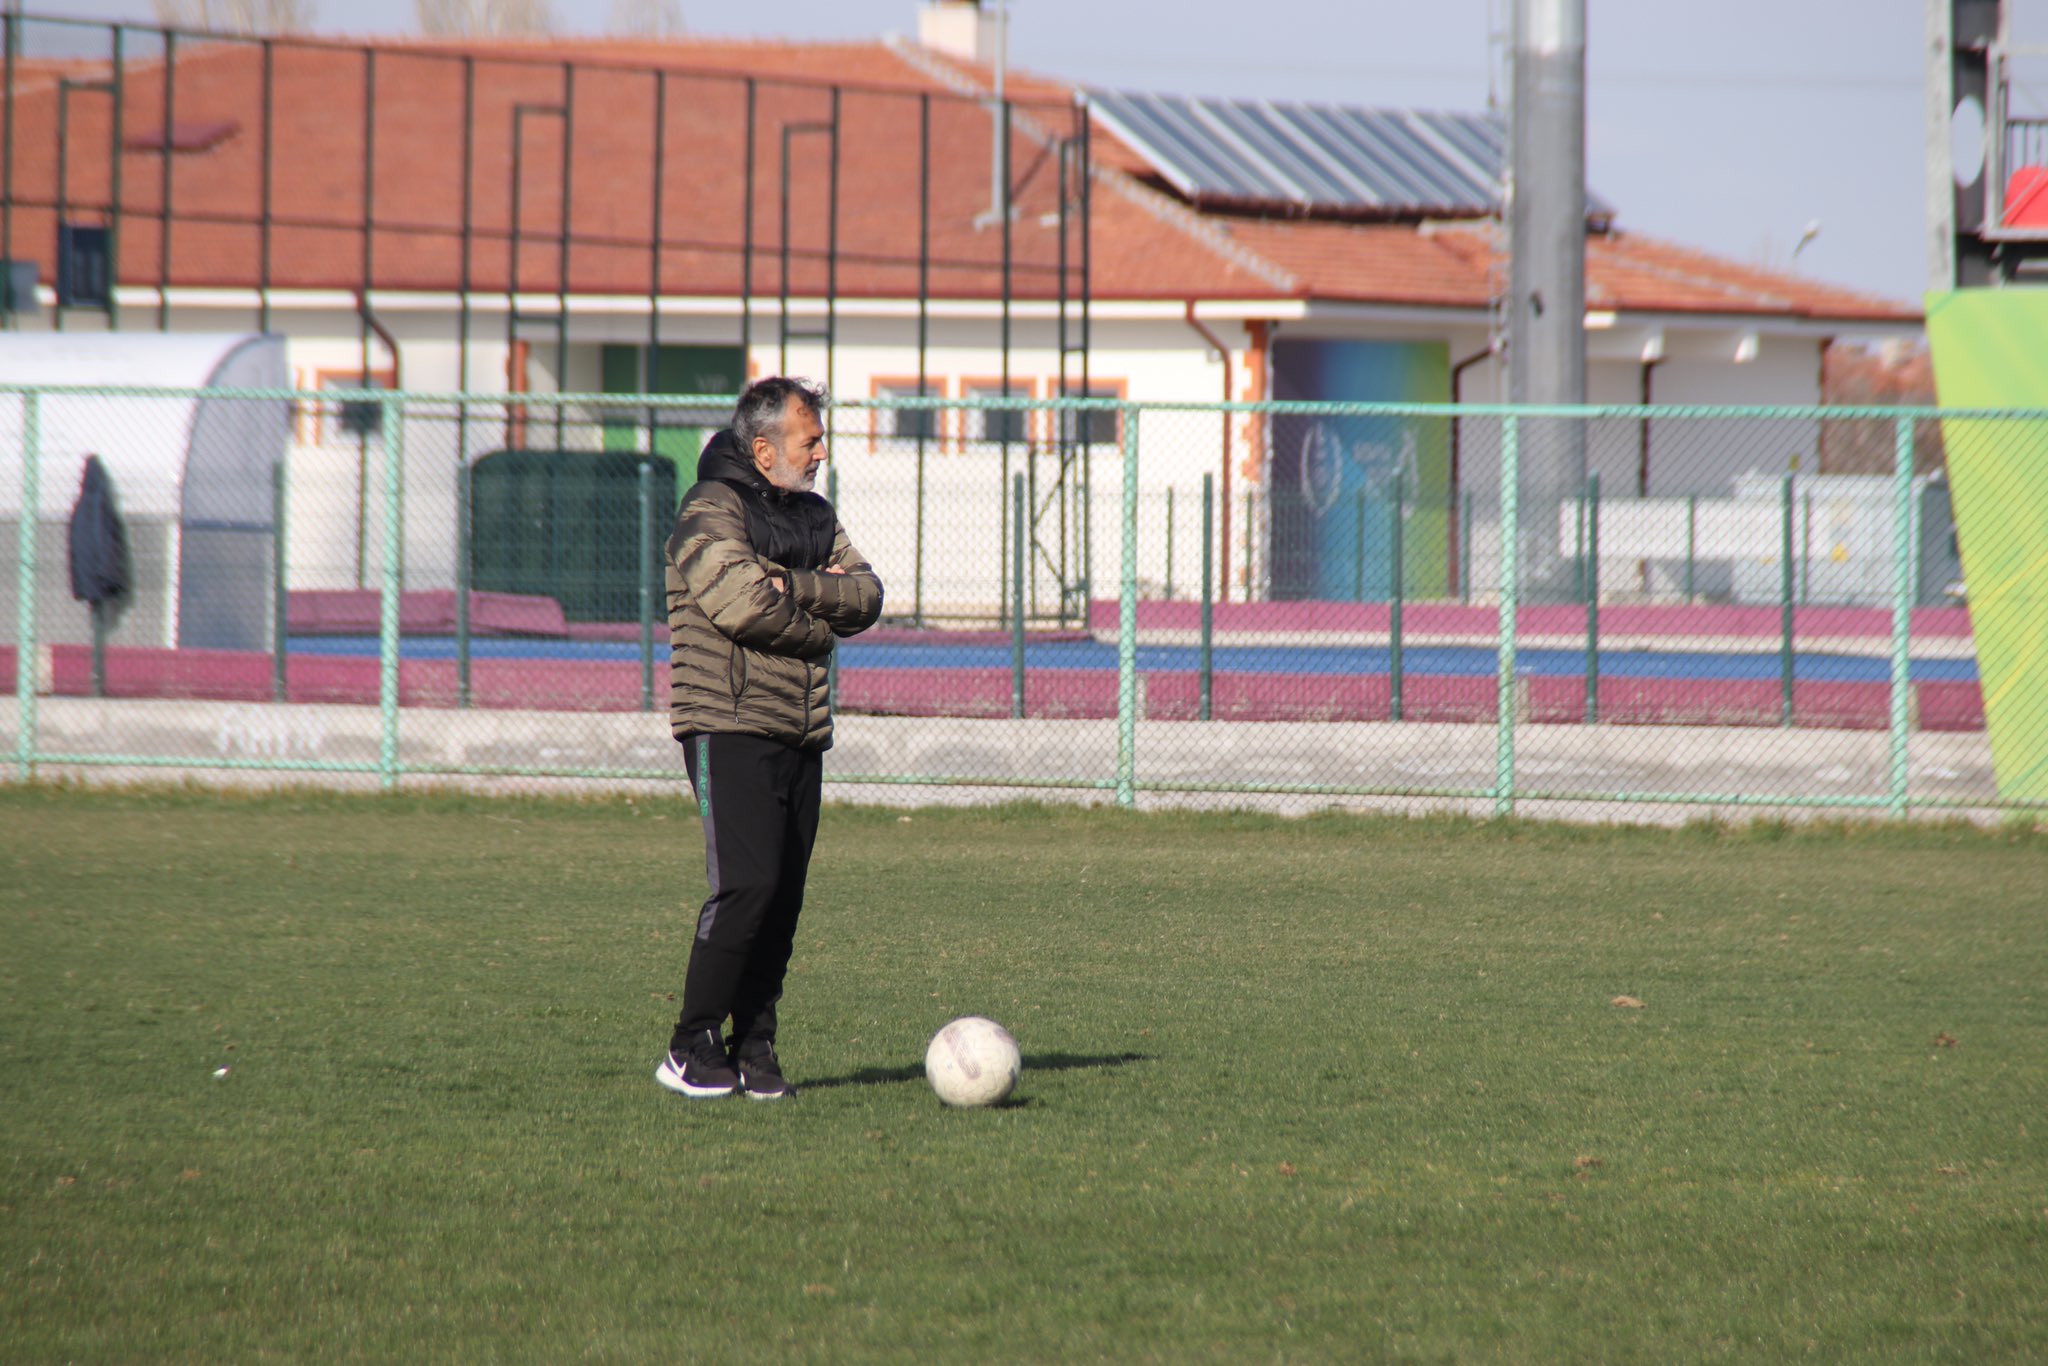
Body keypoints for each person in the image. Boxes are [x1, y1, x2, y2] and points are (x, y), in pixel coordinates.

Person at [655, 376, 884, 1101]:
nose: (821, 451)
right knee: (747, 886)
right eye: (808, 439)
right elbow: (744, 605)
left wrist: (800, 587)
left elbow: (869, 595)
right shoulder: (707, 510)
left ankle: (755, 1050)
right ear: (763, 449)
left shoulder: (815, 515)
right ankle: (691, 1046)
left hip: (801, 727)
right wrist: (820, 617)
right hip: (727, 723)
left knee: (782, 897)